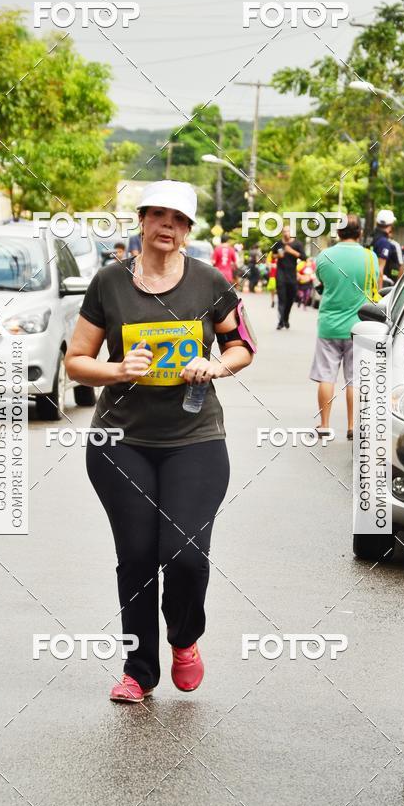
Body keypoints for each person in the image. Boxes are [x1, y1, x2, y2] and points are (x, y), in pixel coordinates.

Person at [65, 180, 256, 703]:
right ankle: (139, 670)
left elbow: (242, 345)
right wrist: (117, 368)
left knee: (185, 555)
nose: (167, 226)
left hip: (194, 439)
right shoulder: (109, 282)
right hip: (119, 443)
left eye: (178, 219)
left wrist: (214, 363)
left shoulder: (210, 281)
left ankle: (185, 638)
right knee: (137, 556)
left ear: (188, 229)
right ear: (143, 221)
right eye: (158, 216)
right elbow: (76, 361)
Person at [310, 213, 379, 440]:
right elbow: (375, 285)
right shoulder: (370, 258)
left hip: (329, 325)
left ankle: (324, 425)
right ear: (360, 232)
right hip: (360, 326)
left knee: (326, 377)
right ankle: (352, 426)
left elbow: (322, 283)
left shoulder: (325, 256)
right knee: (355, 378)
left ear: (338, 232)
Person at [273, 225, 306, 330]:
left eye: (288, 231)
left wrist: (291, 251)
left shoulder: (297, 244)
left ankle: (286, 318)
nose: (286, 233)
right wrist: (278, 256)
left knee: (290, 299)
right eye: (284, 231)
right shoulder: (278, 244)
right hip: (280, 274)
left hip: (292, 275)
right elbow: (273, 255)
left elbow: (304, 257)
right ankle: (281, 321)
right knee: (281, 298)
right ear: (282, 233)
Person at [371, 209, 404, 289]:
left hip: (368, 284)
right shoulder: (385, 243)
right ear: (391, 225)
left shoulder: (371, 239)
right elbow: (379, 271)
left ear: (377, 223)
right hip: (384, 288)